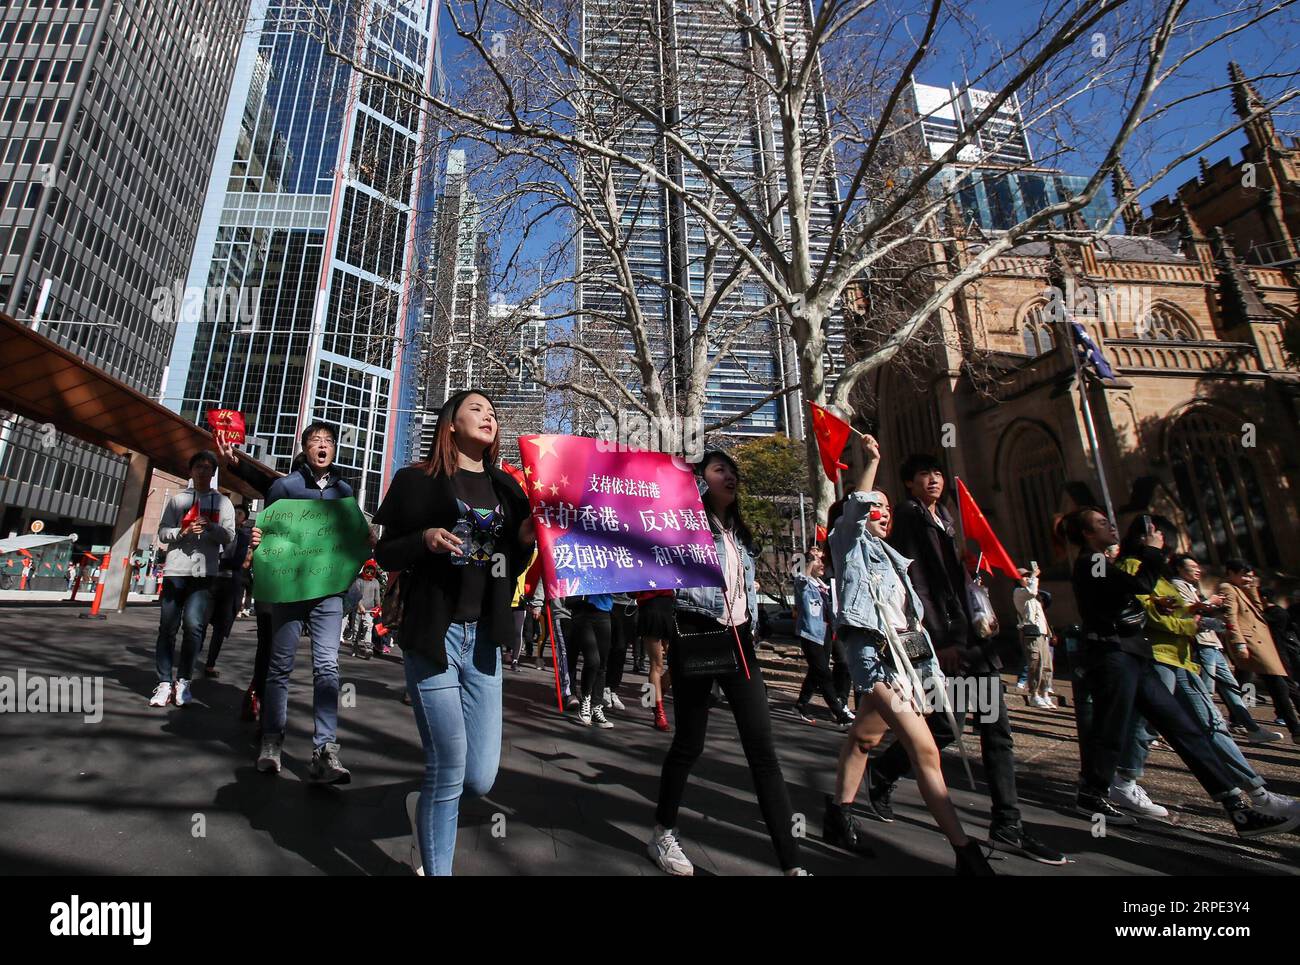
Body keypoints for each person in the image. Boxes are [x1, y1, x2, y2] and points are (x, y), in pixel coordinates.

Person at [865, 453, 1063, 865]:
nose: (933, 480)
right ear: (909, 483)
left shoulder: (949, 518)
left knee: (996, 731)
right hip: (948, 644)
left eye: (937, 473)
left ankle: (1007, 820)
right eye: (924, 475)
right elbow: (916, 582)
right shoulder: (910, 517)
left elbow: (953, 579)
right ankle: (883, 771)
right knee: (942, 726)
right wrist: (941, 640)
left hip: (976, 642)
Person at [1059, 508, 1297, 838]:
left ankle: (1238, 809)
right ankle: (1093, 794)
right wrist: (1152, 551)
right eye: (1101, 524)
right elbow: (1134, 584)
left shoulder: (1101, 564)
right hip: (1113, 657)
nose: (1110, 526)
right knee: (1111, 730)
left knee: (1183, 728)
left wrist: (1153, 604)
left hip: (1134, 656)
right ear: (1086, 534)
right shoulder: (1092, 561)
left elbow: (1124, 593)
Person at [374, 389, 534, 876]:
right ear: (450, 424)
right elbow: (385, 554)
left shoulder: (509, 489)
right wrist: (423, 540)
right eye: (477, 409)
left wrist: (524, 539)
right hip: (434, 635)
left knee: (480, 777)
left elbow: (514, 563)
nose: (489, 416)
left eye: (492, 412)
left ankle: (422, 808)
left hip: (484, 639)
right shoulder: (416, 481)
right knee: (447, 763)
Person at [824, 438, 992, 875]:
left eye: (887, 507)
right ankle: (965, 851)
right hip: (874, 662)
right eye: (874, 506)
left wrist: (927, 672)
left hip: (909, 662)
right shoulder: (848, 545)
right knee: (925, 749)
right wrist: (873, 461)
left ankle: (838, 815)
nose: (882, 512)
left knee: (864, 738)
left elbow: (912, 626)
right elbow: (856, 506)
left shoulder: (896, 559)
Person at [648, 449, 810, 876]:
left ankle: (792, 864)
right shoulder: (685, 524)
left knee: (763, 752)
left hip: (740, 644)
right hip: (698, 636)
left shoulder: (739, 533)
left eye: (733, 470)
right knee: (689, 744)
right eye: (720, 469)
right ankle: (663, 831)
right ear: (702, 480)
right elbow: (659, 550)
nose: (731, 475)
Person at [252, 422, 357, 784]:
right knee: (279, 667)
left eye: (329, 441)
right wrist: (257, 536)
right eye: (316, 441)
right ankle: (271, 741)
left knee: (327, 666)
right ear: (305, 448)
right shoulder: (284, 486)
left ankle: (325, 750)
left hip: (329, 591)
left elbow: (350, 537)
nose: (323, 446)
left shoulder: (345, 489)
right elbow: (268, 534)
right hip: (289, 589)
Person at [150, 450, 234, 708]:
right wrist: (182, 531)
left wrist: (211, 527)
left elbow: (230, 536)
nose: (203, 471)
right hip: (176, 571)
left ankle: (183, 680)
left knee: (194, 626)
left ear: (213, 473)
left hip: (203, 572)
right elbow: (162, 533)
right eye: (199, 466)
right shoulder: (177, 500)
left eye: (209, 468)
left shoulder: (223, 503)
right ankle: (164, 682)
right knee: (167, 627)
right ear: (191, 470)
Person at [1170, 554, 1280, 743]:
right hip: (1201, 642)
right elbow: (1187, 611)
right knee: (1204, 690)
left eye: (1198, 566)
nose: (1198, 570)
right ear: (1179, 569)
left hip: (1212, 642)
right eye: (1192, 566)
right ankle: (1198, 729)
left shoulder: (1193, 587)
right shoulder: (1178, 585)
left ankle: (1251, 728)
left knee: (1231, 688)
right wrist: (1212, 603)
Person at [1219, 559, 1300, 743]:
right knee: (1275, 683)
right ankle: (1294, 729)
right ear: (1231, 573)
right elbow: (1230, 616)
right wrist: (1238, 642)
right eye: (1243, 573)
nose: (1247, 577)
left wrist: (1253, 588)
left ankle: (1239, 720)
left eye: (1249, 574)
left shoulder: (1244, 589)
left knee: (1266, 682)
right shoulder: (1228, 588)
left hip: (1261, 642)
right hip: (1250, 642)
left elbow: (1258, 610)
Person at [793, 545, 852, 726]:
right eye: (819, 561)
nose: (821, 564)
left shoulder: (823, 587)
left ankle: (801, 704)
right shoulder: (803, 584)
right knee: (824, 673)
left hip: (826, 634)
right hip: (811, 634)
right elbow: (802, 576)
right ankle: (840, 715)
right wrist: (811, 558)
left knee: (816, 672)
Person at [201, 505, 252, 678]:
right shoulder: (218, 531)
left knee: (220, 629)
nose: (235, 516)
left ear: (244, 519)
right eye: (233, 512)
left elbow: (238, 559)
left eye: (239, 513)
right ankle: (193, 655)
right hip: (213, 580)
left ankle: (210, 663)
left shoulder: (244, 536)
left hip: (230, 585)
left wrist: (222, 560)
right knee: (201, 622)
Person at [569, 593, 616, 728]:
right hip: (582, 611)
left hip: (604, 611)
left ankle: (596, 707)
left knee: (602, 664)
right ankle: (586, 699)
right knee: (593, 661)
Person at [1013, 563, 1056, 709]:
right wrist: (1034, 577)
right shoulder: (1019, 593)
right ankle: (1034, 694)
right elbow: (1030, 592)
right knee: (1035, 663)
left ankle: (1045, 693)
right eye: (1024, 576)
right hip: (1031, 633)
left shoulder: (1034, 594)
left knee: (1046, 665)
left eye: (1028, 575)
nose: (1027, 578)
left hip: (1042, 633)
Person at [637, 589, 674, 731]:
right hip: (649, 608)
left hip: (669, 608)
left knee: (677, 663)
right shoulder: (639, 566)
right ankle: (658, 712)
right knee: (656, 665)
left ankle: (655, 695)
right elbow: (632, 592)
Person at [604, 593, 636, 712]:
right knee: (608, 648)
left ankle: (613, 689)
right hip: (611, 603)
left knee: (621, 650)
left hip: (629, 607)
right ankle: (604, 688)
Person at [347, 562, 383, 659]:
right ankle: (354, 648)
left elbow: (377, 598)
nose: (369, 572)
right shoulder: (358, 580)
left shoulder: (375, 582)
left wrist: (378, 608)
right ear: (365, 569)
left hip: (370, 611)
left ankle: (368, 648)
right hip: (358, 609)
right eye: (368, 569)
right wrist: (360, 606)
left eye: (372, 570)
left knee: (368, 629)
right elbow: (355, 595)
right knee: (356, 630)